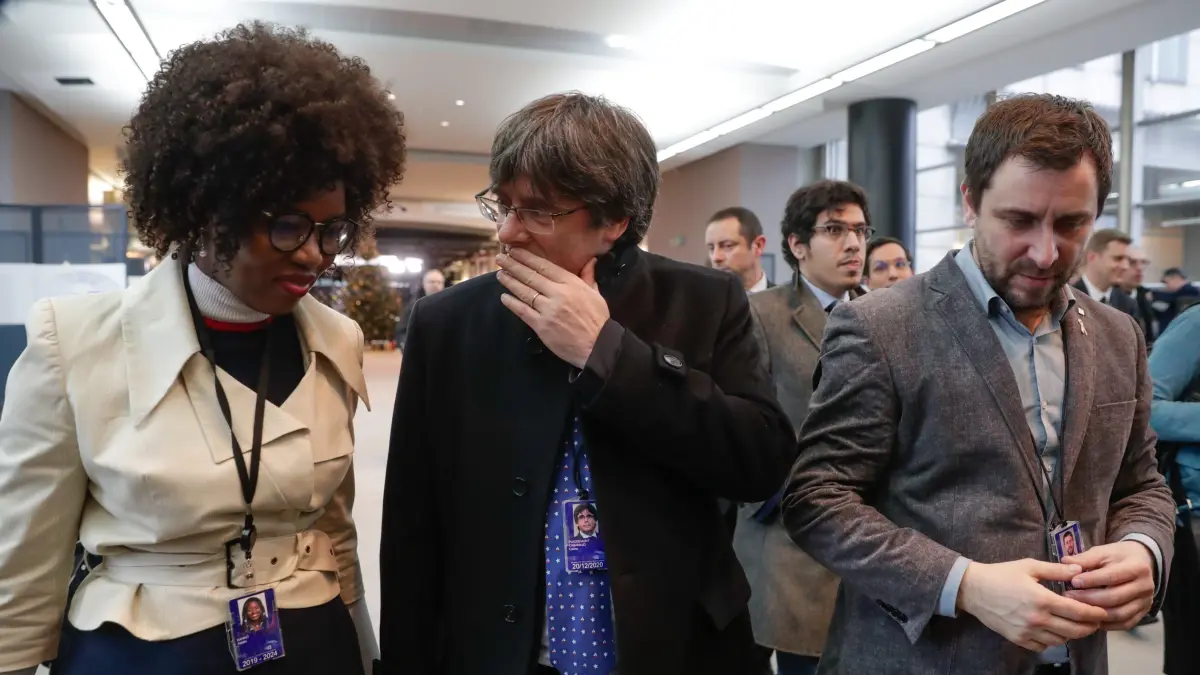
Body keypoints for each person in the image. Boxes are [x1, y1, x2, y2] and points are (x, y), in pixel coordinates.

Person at [0, 23, 405, 675]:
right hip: (143, 653)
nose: (314, 254)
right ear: (205, 212)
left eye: (331, 230)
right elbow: (23, 566)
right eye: (286, 225)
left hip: (311, 645)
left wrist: (363, 646)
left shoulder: (338, 340)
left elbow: (332, 526)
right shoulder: (73, 343)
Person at [378, 92, 794, 675]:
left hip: (675, 645)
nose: (508, 232)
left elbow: (759, 462)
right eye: (503, 205)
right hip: (503, 650)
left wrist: (608, 354)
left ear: (614, 221)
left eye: (537, 211)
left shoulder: (703, 299)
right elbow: (411, 525)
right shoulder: (448, 322)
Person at [782, 93, 1174, 675]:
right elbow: (817, 499)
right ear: (970, 201)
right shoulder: (880, 327)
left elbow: (1141, 483)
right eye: (1019, 220)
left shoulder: (1118, 335)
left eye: (1072, 223)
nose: (1046, 252)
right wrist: (964, 585)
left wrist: (1145, 549)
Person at [732, 180, 870, 675]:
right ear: (797, 244)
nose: (853, 244)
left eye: (860, 230)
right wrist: (778, 495)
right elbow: (743, 423)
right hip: (792, 539)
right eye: (834, 230)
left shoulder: (885, 312)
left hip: (876, 541)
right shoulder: (761, 314)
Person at [705, 207, 773, 293]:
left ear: (758, 246)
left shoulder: (785, 300)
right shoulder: (701, 301)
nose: (716, 257)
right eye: (711, 248)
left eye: (727, 245)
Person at [394, 268, 445, 350]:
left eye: (439, 282)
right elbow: (402, 331)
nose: (435, 285)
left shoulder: (450, 305)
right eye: (432, 282)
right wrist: (407, 346)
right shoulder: (413, 305)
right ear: (424, 284)